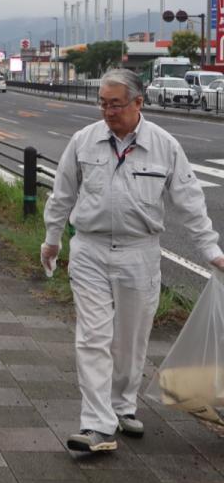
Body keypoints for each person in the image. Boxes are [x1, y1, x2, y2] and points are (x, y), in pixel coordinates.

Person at [42, 68, 224, 454]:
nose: (108, 112)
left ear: (139, 103)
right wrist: (52, 240)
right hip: (89, 248)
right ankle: (96, 425)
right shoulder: (83, 142)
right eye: (103, 104)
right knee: (92, 337)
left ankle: (123, 407)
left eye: (116, 105)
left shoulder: (164, 146)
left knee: (130, 339)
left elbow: (190, 203)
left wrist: (212, 251)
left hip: (139, 252)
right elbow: (61, 196)